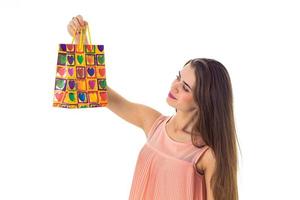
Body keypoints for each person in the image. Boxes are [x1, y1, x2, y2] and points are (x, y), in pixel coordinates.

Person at [67, 15, 239, 200]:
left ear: (204, 101)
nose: (175, 86)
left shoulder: (207, 156)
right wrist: (80, 43)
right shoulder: (154, 124)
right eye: (178, 77)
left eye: (185, 87)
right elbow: (100, 93)